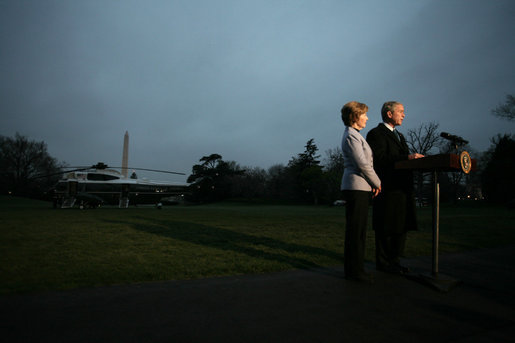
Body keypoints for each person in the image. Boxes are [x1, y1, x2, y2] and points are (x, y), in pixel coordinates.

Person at [366, 101, 424, 274]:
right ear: (389, 114)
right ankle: (384, 263)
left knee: (401, 226)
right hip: (388, 189)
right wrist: (408, 157)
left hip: (403, 189)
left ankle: (395, 261)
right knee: (387, 227)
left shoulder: (400, 136)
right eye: (401, 111)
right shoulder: (376, 134)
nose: (404, 114)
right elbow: (380, 159)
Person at [340, 101, 381, 283]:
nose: (367, 117)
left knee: (359, 231)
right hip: (356, 188)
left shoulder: (355, 135)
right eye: (364, 114)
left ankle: (356, 269)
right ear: (355, 116)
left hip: (361, 187)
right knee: (356, 232)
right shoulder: (351, 136)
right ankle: (354, 271)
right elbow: (363, 164)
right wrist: (378, 183)